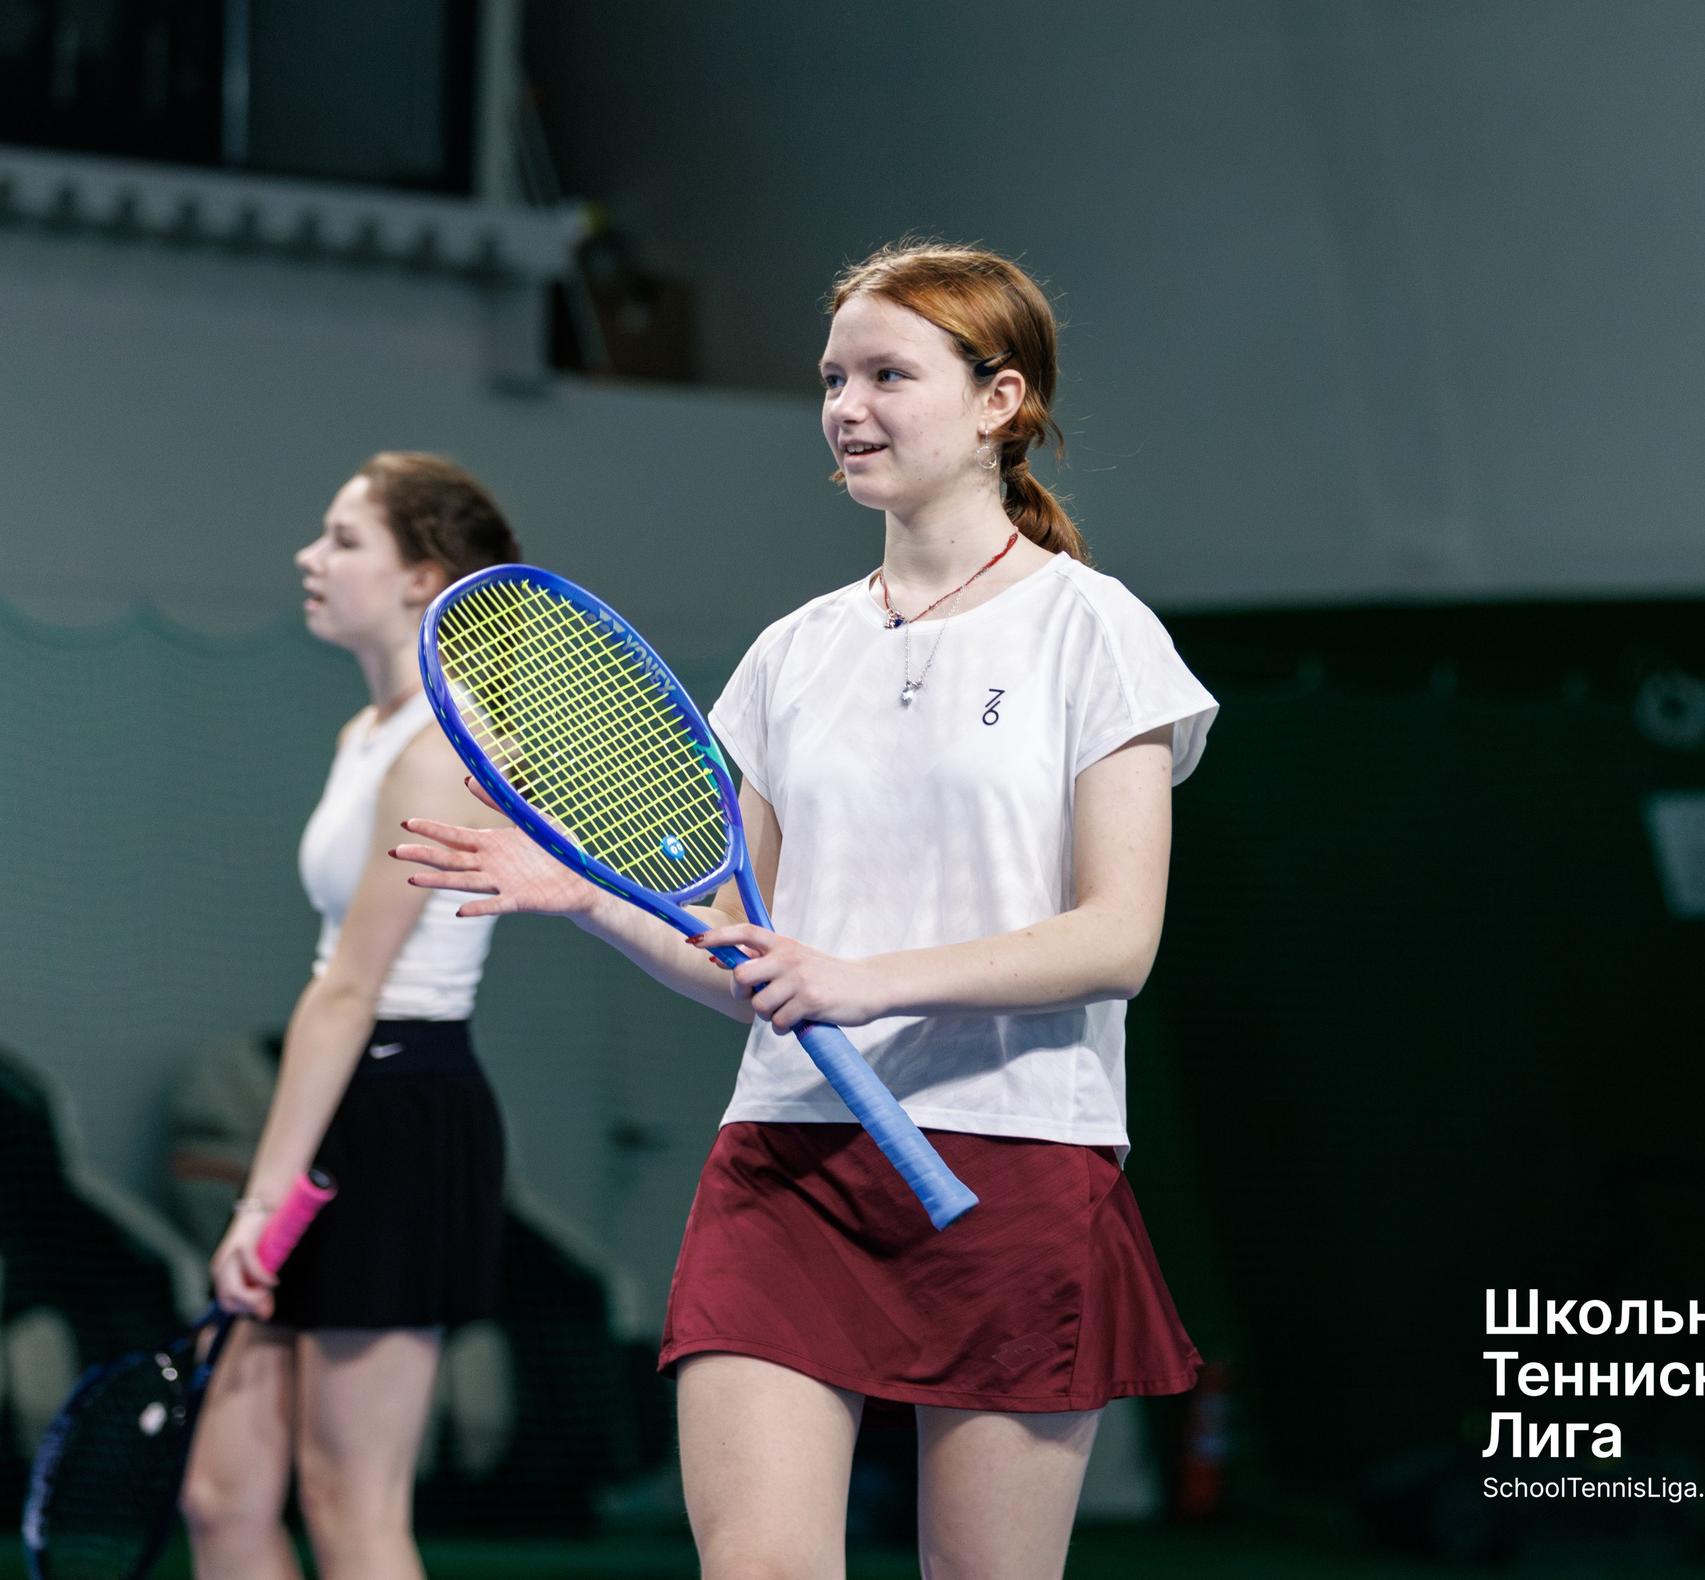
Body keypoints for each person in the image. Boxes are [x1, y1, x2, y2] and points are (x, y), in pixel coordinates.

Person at [397, 242, 1218, 1580]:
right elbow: (748, 959)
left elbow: (1114, 941)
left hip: (1013, 1158)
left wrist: (868, 980)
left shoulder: (1094, 631)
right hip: (785, 1160)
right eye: (834, 377)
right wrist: (586, 899)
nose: (847, 407)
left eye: (890, 375)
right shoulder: (795, 652)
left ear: (998, 400)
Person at [182, 453, 521, 1580]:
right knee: (221, 1495)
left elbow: (348, 986)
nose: (308, 559)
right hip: (338, 1102)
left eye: (340, 539)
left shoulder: (444, 748)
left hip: (403, 1113)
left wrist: (259, 1199)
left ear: (423, 575)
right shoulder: (366, 731)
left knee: (350, 1504)